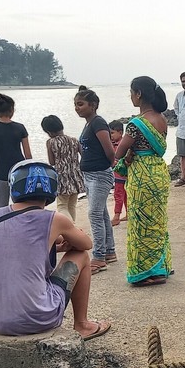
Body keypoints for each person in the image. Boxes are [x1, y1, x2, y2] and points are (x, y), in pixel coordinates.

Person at [0, 160, 111, 340]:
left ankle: (1, 310)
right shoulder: (54, 219)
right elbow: (86, 244)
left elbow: (13, 249)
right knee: (81, 255)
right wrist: (69, 236)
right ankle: (82, 324)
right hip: (35, 318)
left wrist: (54, 247)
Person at [113, 76, 172, 286]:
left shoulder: (136, 124)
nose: (130, 97)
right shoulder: (162, 119)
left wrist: (128, 154)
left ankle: (143, 273)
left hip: (142, 176)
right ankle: (159, 269)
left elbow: (119, 151)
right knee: (157, 221)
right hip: (159, 174)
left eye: (131, 92)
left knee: (140, 223)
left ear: (138, 94)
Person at [74, 85, 117, 274]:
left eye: (80, 104)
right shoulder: (88, 124)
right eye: (75, 104)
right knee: (102, 214)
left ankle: (98, 257)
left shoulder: (98, 123)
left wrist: (109, 166)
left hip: (100, 174)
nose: (77, 108)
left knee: (94, 214)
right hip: (90, 175)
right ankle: (109, 251)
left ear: (93, 105)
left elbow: (109, 150)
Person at [0, 93, 32, 208]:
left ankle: (1, 225)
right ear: (11, 110)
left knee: (1, 207)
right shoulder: (20, 128)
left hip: (2, 173)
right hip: (20, 172)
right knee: (22, 204)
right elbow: (28, 155)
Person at [43, 115, 86, 222]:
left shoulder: (51, 142)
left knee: (62, 205)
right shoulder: (74, 140)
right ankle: (73, 228)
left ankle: (69, 227)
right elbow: (83, 156)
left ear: (49, 131)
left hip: (62, 177)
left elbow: (51, 162)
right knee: (72, 205)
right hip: (76, 175)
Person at [109, 119, 128, 225]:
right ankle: (128, 213)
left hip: (120, 174)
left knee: (118, 194)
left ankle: (117, 216)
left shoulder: (121, 144)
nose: (110, 135)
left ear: (120, 132)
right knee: (124, 194)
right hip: (121, 174)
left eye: (112, 133)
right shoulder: (115, 143)